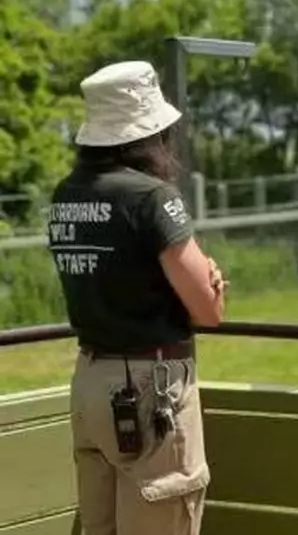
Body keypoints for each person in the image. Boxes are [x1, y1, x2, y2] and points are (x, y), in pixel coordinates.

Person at [48, 60, 227, 535]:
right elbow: (208, 310)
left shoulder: (66, 194)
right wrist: (212, 281)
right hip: (152, 388)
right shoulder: (151, 198)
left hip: (89, 381)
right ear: (149, 136)